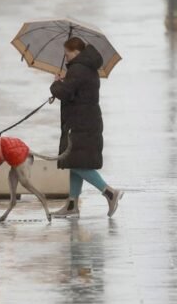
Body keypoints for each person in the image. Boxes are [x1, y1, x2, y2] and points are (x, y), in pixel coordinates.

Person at [49, 37, 123, 218]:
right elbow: (75, 91)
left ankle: (109, 193)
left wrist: (56, 83)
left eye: (67, 54)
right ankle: (72, 205)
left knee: (78, 163)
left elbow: (65, 92)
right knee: (74, 162)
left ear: (76, 52)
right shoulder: (85, 68)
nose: (65, 57)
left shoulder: (78, 69)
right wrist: (64, 81)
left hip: (80, 123)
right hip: (85, 121)